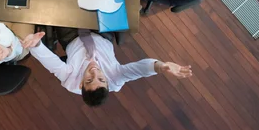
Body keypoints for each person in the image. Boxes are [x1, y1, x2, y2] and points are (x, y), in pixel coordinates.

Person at [21, 28, 192, 107]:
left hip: (71, 36)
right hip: (102, 32)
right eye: (101, 79)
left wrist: (36, 46)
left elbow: (51, 62)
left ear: (81, 85)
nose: (95, 72)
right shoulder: (116, 79)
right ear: (108, 83)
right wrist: (161, 67)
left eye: (89, 79)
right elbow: (140, 69)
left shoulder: (70, 80)